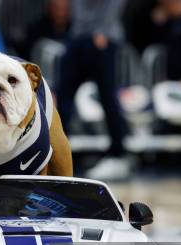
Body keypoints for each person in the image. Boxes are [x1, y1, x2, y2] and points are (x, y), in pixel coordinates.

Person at [56, 0, 131, 181]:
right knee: (63, 94)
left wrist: (103, 30)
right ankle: (57, 151)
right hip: (78, 35)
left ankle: (118, 154)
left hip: (102, 37)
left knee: (107, 96)